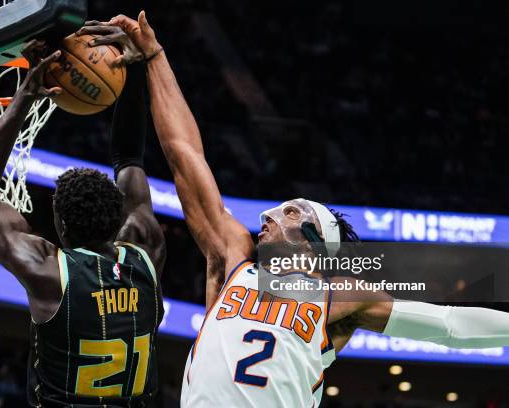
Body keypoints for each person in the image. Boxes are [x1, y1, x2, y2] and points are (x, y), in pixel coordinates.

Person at [85, 11, 509, 408]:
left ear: (315, 238)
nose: (267, 216)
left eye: (289, 212)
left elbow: (450, 325)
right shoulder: (234, 257)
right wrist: (155, 57)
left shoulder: (340, 296)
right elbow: (184, 154)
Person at [0, 39, 165, 407]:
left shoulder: (49, 273)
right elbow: (129, 156)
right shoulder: (145, 253)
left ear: (59, 224)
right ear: (119, 216)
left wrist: (25, 95)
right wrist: (134, 72)